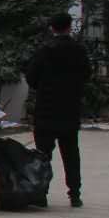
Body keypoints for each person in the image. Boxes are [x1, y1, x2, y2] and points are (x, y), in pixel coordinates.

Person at [25, 13, 90, 207]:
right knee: (71, 153)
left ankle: (41, 193)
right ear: (69, 27)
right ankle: (75, 194)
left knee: (43, 154)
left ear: (52, 28)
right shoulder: (79, 50)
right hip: (69, 108)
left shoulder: (44, 51)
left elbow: (31, 77)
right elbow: (87, 74)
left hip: (46, 108)